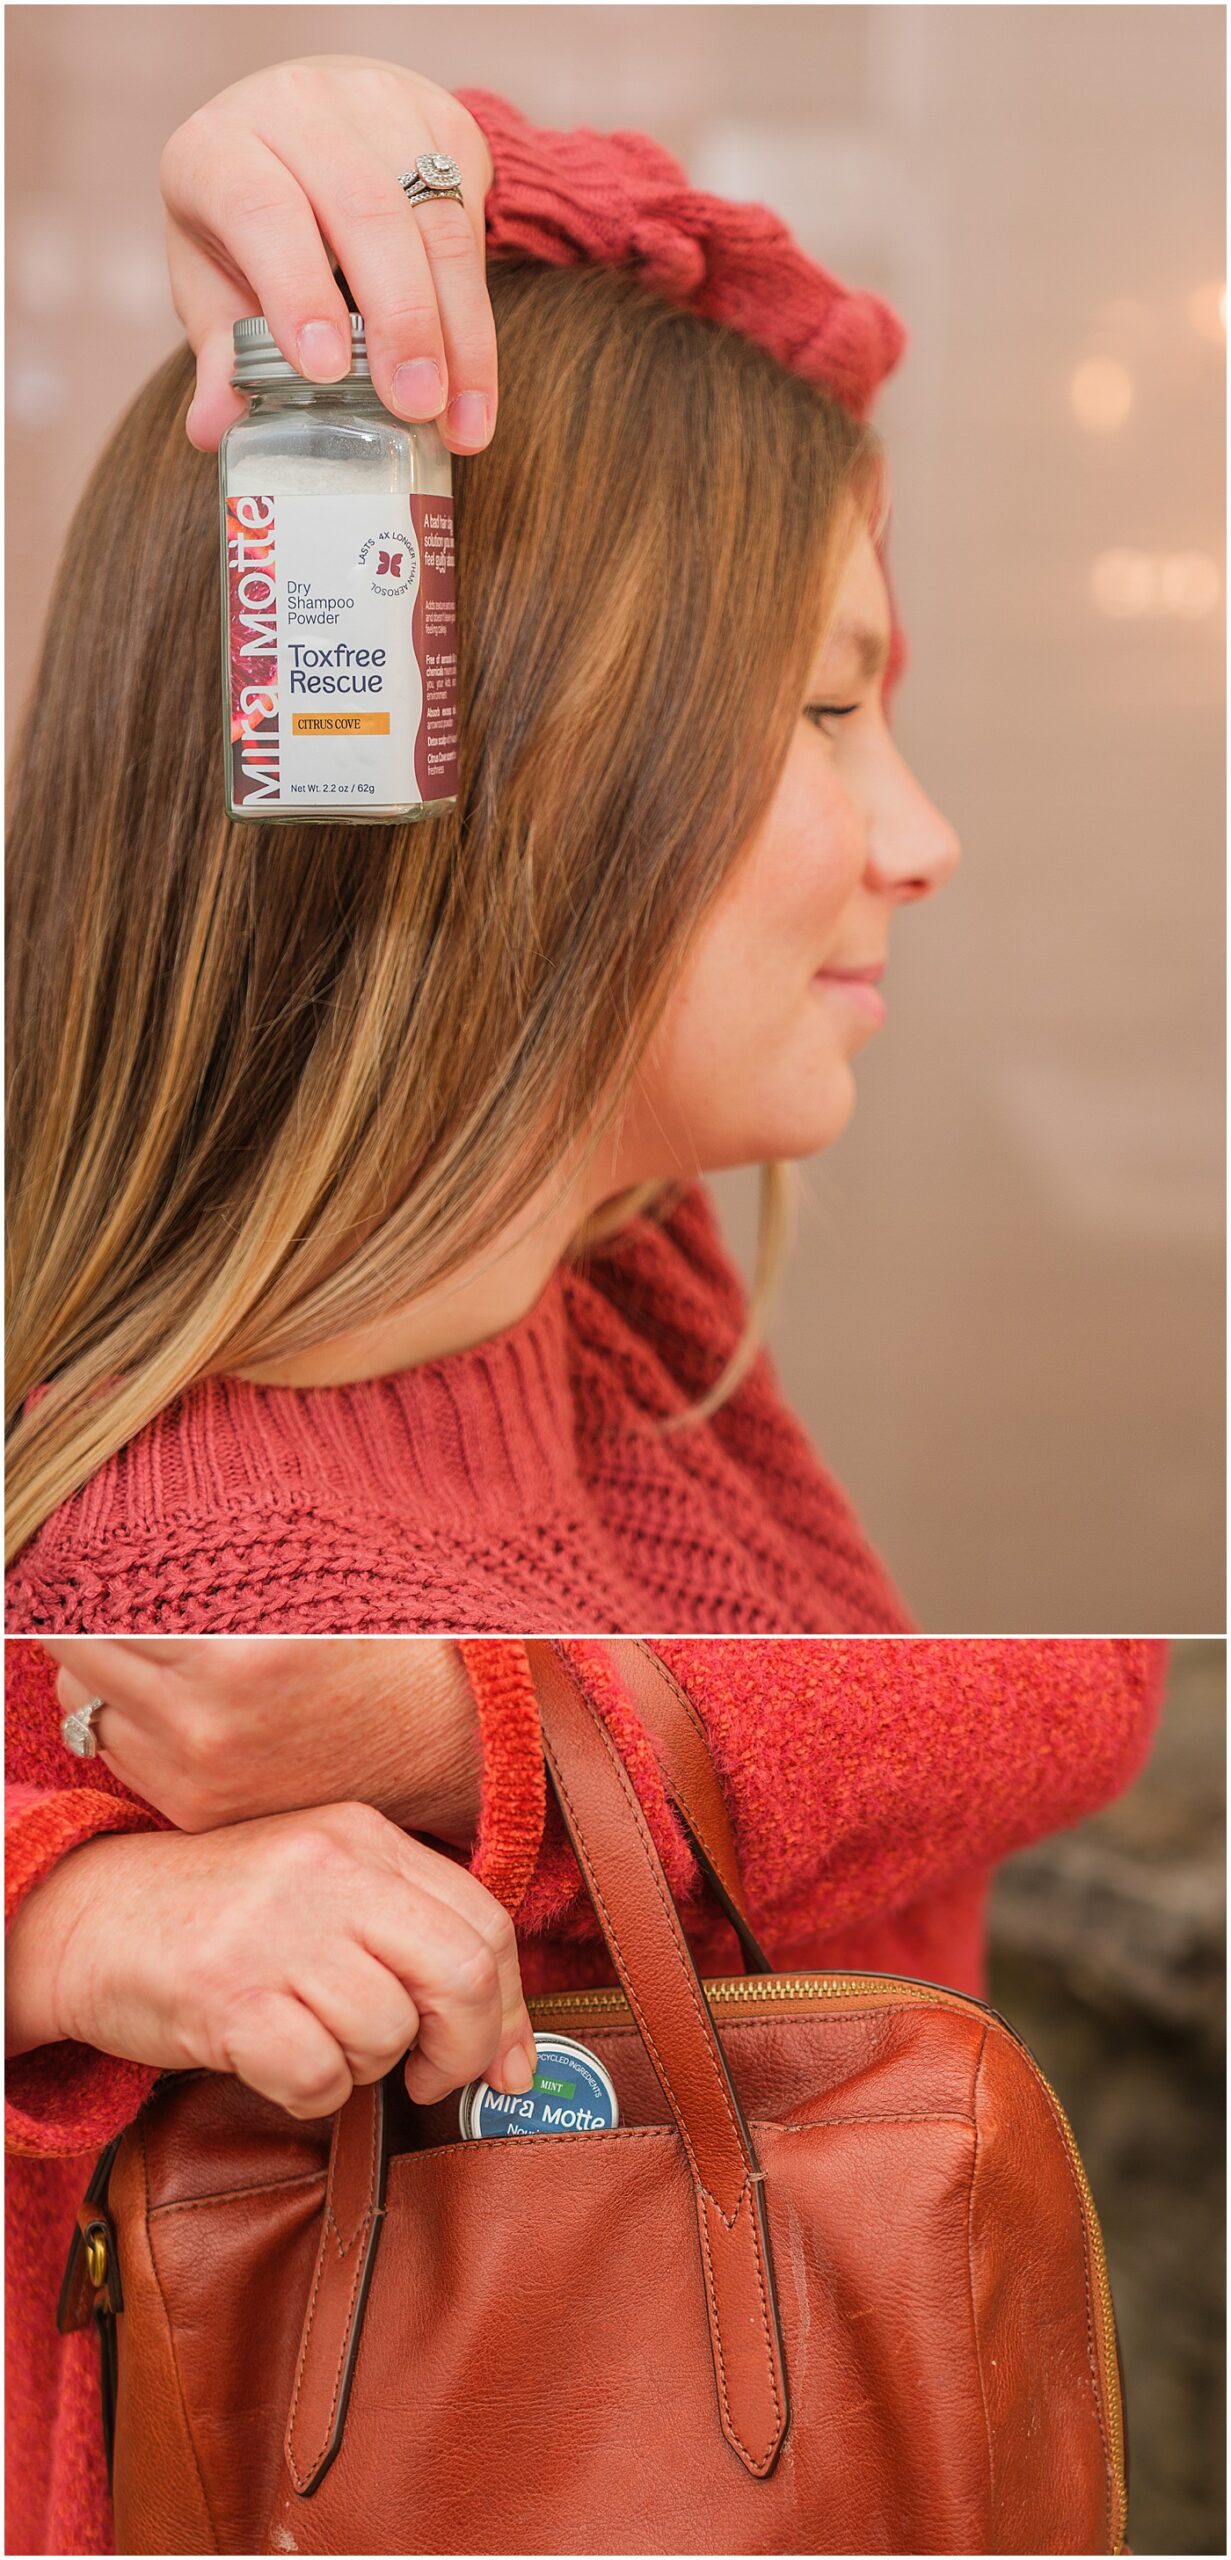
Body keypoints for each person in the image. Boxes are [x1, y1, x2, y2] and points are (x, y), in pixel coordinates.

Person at [6, 60, 959, 1636]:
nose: (923, 844)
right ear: (489, 761)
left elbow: (1085, 1693)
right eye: (822, 709)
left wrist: (421, 188)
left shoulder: (589, 1264)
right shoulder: (232, 1629)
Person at [5, 1632, 1165, 2556]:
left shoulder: (671, 1400)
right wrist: (63, 1913)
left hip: (847, 2290)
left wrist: (480, 1726)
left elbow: (1090, 1669)